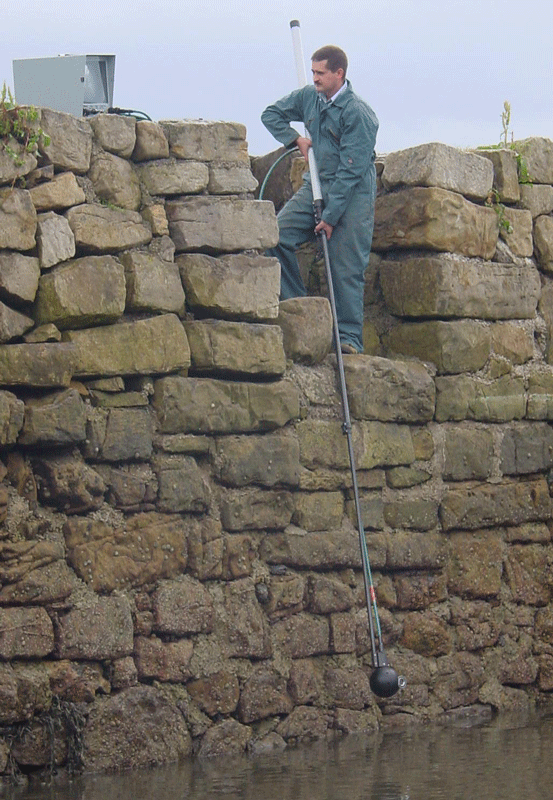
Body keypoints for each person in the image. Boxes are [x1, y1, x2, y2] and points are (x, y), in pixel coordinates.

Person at [261, 45, 379, 355]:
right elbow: (270, 114)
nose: (314, 78)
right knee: (277, 235)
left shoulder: (358, 113)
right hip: (315, 182)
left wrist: (330, 216)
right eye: (312, 72)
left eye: (320, 73)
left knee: (345, 265)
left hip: (353, 194)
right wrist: (295, 139)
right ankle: (303, 313)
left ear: (339, 74)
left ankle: (348, 338)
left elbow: (350, 172)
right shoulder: (309, 97)